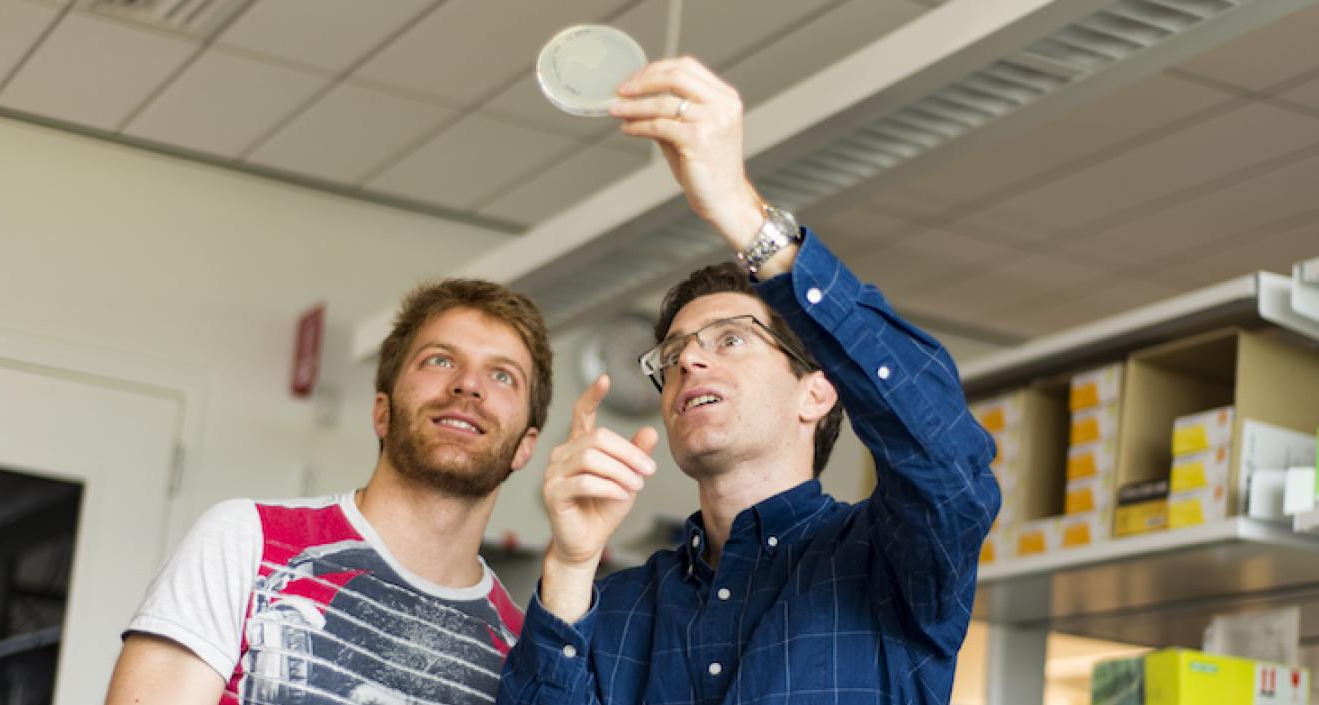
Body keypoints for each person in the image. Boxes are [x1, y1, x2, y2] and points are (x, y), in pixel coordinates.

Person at [498, 57, 1001, 704]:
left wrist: (742, 213)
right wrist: (569, 565)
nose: (689, 363)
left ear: (818, 390)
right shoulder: (617, 606)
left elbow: (945, 451)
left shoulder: (889, 563)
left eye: (729, 340)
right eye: (674, 353)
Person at [105, 279, 553, 705]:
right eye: (440, 360)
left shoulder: (517, 649)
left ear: (525, 447)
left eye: (502, 376)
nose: (468, 385)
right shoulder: (246, 542)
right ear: (382, 412)